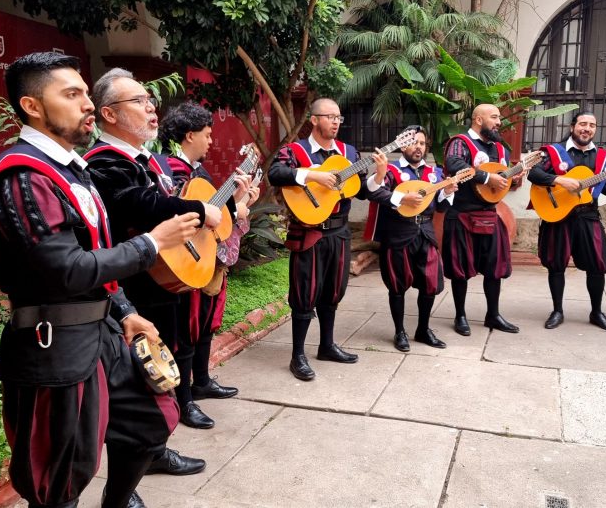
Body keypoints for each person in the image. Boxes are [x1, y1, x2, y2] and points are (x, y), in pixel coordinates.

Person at [0, 52, 201, 508]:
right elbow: (66, 269)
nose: (87, 105)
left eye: (86, 93)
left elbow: (94, 250)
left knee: (149, 422)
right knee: (59, 472)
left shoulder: (71, 170)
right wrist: (151, 245)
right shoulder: (22, 177)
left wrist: (127, 313)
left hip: (103, 330)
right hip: (53, 343)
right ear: (32, 106)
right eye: (72, 94)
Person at [85, 69, 243, 478]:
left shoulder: (150, 159)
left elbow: (164, 198)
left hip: (163, 278)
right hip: (129, 286)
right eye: (138, 101)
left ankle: (154, 452)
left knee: (162, 369)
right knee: (132, 384)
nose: (151, 107)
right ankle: (126, 480)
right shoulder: (102, 162)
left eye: (150, 101)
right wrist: (196, 210)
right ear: (108, 114)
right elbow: (134, 202)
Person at [157, 102, 259, 428]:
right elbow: (178, 216)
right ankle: (183, 402)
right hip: (180, 262)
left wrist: (239, 201)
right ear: (190, 135)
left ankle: (201, 380)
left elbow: (213, 215)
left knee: (203, 326)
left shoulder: (197, 172)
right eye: (207, 134)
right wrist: (235, 210)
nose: (211, 141)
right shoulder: (169, 171)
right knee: (185, 334)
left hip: (202, 260)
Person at [268, 97, 384, 380]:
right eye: (330, 116)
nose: (335, 122)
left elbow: (361, 191)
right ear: (314, 119)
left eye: (338, 117)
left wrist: (379, 175)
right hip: (309, 232)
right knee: (304, 293)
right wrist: (312, 177)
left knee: (334, 289)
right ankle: (297, 355)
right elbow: (275, 172)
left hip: (339, 231)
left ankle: (327, 345)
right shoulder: (296, 150)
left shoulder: (348, 152)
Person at [527, 111, 606, 331]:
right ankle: (557, 311)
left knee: (598, 266)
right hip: (558, 216)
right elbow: (532, 174)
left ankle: (596, 312)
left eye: (592, 125)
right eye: (583, 123)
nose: (587, 128)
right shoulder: (554, 152)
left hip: (588, 215)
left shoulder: (605, 159)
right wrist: (559, 180)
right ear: (573, 126)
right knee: (556, 265)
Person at [364, 125, 457, 351]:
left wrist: (448, 191)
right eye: (414, 142)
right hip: (398, 234)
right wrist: (401, 198)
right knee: (397, 285)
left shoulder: (434, 174)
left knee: (430, 284)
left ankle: (423, 329)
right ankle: (400, 332)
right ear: (403, 144)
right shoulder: (391, 170)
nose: (418, 147)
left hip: (425, 232)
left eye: (422, 143)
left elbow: (441, 207)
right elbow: (373, 192)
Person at [442, 103, 520, 336]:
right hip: (461, 215)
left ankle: (493, 315)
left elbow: (502, 178)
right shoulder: (460, 142)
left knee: (495, 267)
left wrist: (513, 179)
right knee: (460, 268)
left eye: (499, 118)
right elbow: (455, 165)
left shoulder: (499, 148)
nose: (499, 122)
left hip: (489, 215)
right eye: (494, 117)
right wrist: (487, 178)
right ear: (478, 119)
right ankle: (460, 316)